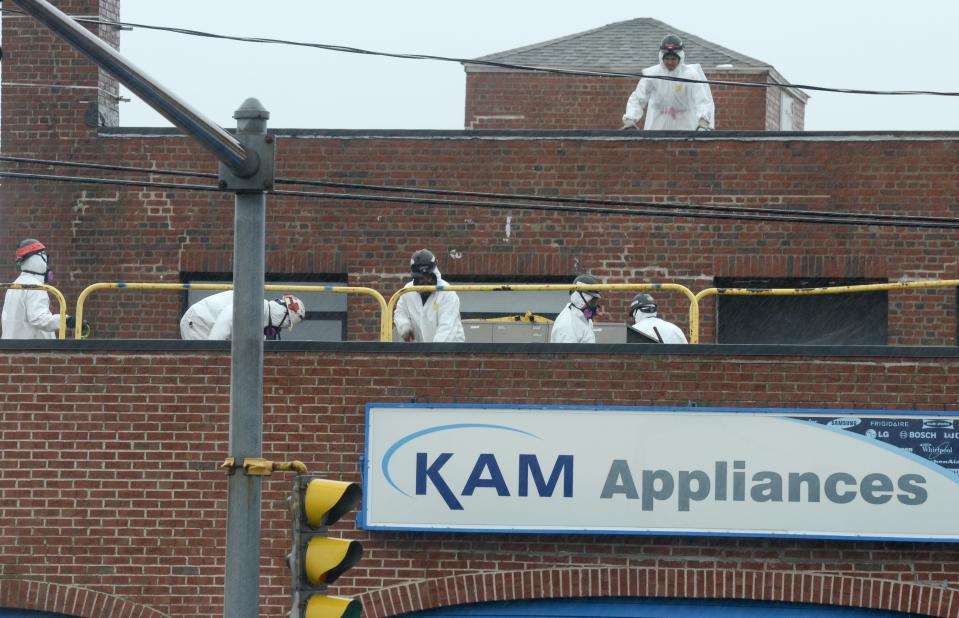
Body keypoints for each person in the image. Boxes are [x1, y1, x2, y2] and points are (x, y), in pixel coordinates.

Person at [622, 34, 715, 131]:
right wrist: (630, 119)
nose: (670, 62)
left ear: (680, 58)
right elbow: (638, 98)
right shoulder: (652, 74)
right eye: (667, 59)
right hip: (657, 126)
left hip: (685, 126)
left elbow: (702, 100)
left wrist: (704, 119)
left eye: (673, 59)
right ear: (662, 58)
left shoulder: (690, 75)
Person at [1, 238, 85, 339]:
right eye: (45, 258)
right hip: (32, 350)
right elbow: (39, 319)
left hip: (11, 349)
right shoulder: (35, 288)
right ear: (38, 259)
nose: (47, 265)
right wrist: (67, 320)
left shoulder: (14, 285)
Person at [394, 249, 465, 343]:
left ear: (434, 274)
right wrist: (404, 326)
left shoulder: (447, 292)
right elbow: (400, 312)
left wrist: (434, 352)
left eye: (428, 277)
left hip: (450, 351)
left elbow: (446, 328)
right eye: (420, 279)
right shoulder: (408, 290)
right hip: (423, 351)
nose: (425, 283)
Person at [179, 291, 306, 340]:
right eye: (287, 324)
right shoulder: (255, 305)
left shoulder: (259, 320)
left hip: (203, 323)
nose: (281, 327)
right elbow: (226, 319)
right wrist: (213, 351)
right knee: (204, 368)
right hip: (198, 321)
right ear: (284, 316)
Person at [549, 274, 602, 344]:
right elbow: (566, 354)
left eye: (594, 302)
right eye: (592, 302)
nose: (595, 307)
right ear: (580, 299)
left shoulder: (582, 318)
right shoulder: (567, 325)